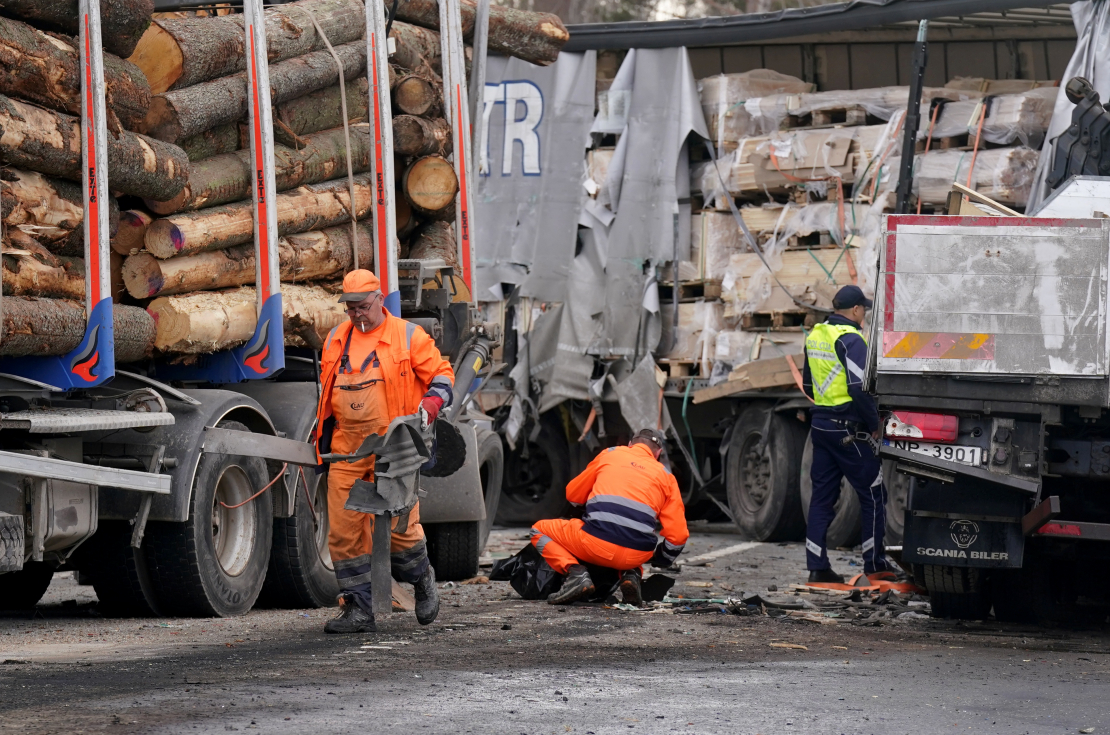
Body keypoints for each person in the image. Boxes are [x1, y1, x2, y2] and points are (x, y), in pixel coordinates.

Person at [313, 269, 455, 633]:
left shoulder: (408, 336)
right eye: (351, 309)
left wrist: (433, 401)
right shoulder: (335, 340)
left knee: (399, 531)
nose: (357, 314)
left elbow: (442, 374)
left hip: (395, 451)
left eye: (363, 307)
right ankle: (358, 608)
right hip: (347, 450)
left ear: (380, 300)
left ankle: (421, 578)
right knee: (344, 533)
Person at [531, 429, 689, 606]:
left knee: (538, 529)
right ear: (658, 454)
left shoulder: (610, 454)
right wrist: (662, 558)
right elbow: (678, 536)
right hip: (637, 555)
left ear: (630, 445)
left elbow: (573, 495)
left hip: (594, 545)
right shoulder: (667, 477)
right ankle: (632, 575)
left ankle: (575, 573)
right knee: (632, 535)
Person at [802, 284, 892, 585]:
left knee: (822, 497)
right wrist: (874, 423)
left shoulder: (815, 335)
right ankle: (875, 566)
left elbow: (808, 386)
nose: (864, 314)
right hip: (848, 430)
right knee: (873, 494)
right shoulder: (851, 338)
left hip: (821, 426)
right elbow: (858, 386)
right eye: (863, 309)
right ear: (855, 310)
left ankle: (817, 567)